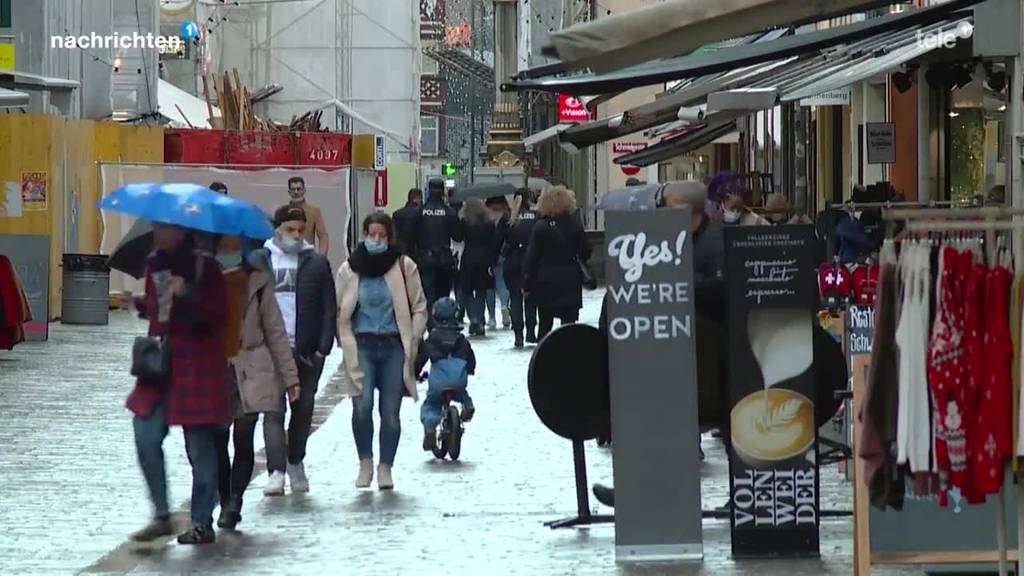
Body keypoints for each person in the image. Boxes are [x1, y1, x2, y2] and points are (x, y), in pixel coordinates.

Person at [127, 222, 231, 545]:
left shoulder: (206, 267)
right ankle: (161, 514)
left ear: (182, 231)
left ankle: (202, 521)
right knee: (145, 432)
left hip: (197, 367)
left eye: (166, 227)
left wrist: (186, 291)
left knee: (200, 449)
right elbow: (160, 313)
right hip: (160, 367)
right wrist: (145, 305)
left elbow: (219, 314)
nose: (159, 232)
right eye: (157, 226)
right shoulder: (154, 264)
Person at [337, 212, 429, 490]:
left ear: (390, 237)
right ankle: (365, 462)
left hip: (393, 347)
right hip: (362, 345)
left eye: (382, 235)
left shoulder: (403, 265)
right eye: (371, 234)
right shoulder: (350, 269)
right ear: (364, 235)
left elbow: (419, 306)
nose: (376, 240)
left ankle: (385, 467)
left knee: (390, 412)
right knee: (361, 407)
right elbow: (339, 307)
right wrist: (342, 337)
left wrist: (413, 339)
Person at [216, 246, 301, 530]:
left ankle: (233, 502)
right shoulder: (202, 279)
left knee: (243, 435)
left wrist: (290, 379)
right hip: (216, 368)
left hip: (253, 367)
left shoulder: (258, 283)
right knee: (217, 441)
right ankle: (224, 494)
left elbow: (275, 332)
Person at [258, 205, 337, 496]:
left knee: (303, 410)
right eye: (290, 229)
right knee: (273, 411)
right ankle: (275, 470)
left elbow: (329, 305)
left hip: (305, 351)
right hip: (269, 351)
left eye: (301, 230)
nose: (296, 235)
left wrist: (323, 347)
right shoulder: (260, 260)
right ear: (277, 229)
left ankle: (295, 461)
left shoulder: (315, 262)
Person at [523, 186, 591, 340]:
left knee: (545, 324)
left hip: (545, 280)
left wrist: (527, 284)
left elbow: (532, 257)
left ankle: (544, 355)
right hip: (570, 279)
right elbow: (586, 251)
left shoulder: (541, 227)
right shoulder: (575, 225)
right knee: (569, 325)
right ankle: (567, 353)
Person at [416, 297, 476, 450]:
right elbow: (471, 358)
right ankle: (468, 406)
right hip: (459, 379)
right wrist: (470, 369)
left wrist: (416, 373)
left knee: (430, 405)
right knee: (462, 394)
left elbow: (421, 358)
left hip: (438, 381)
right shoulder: (461, 339)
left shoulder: (433, 339)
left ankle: (430, 430)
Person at [414, 178, 463, 309]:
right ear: (443, 192)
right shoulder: (450, 212)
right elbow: (458, 237)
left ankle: (430, 321)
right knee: (443, 294)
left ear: (428, 191)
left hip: (424, 258)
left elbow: (412, 235)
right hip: (444, 258)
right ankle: (442, 319)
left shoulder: (419, 212)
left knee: (428, 294)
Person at [502, 188, 541, 348]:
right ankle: (531, 332)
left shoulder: (509, 218)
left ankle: (518, 334)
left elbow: (499, 240)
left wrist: (492, 261)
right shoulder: (537, 217)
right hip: (533, 262)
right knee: (531, 298)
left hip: (513, 262)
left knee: (515, 298)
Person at [460, 198, 500, 337]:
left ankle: (473, 318)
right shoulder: (489, 223)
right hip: (485, 258)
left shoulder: (465, 222)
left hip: (469, 258)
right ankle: (480, 319)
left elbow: (458, 237)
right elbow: (494, 242)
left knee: (467, 290)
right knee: (481, 291)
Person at [485, 196, 512, 330]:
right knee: (503, 284)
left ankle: (491, 317)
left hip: (488, 255)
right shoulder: (508, 217)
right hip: (503, 255)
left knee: (489, 287)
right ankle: (504, 305)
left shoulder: (485, 217)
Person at [287, 176, 329, 256]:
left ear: (304, 190)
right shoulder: (283, 211)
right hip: (289, 256)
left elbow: (323, 235)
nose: (296, 192)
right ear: (289, 192)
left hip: (308, 256)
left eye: (299, 189)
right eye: (293, 189)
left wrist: (322, 258)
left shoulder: (314, 210)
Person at [393, 187, 423, 254]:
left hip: (400, 249)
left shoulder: (397, 213)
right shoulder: (421, 213)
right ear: (418, 198)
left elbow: (394, 233)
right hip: (417, 251)